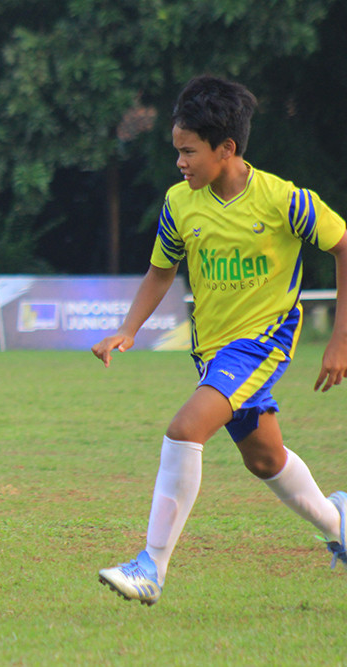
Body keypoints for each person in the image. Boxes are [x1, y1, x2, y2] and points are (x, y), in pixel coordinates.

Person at [92, 75, 347, 606]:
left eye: (189, 151)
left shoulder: (284, 201)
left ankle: (150, 568)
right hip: (213, 354)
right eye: (177, 151)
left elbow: (345, 246)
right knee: (264, 459)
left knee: (186, 428)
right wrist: (128, 329)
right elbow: (160, 272)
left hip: (263, 341)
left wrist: (340, 339)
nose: (179, 162)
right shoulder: (180, 204)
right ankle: (340, 523)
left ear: (226, 149)